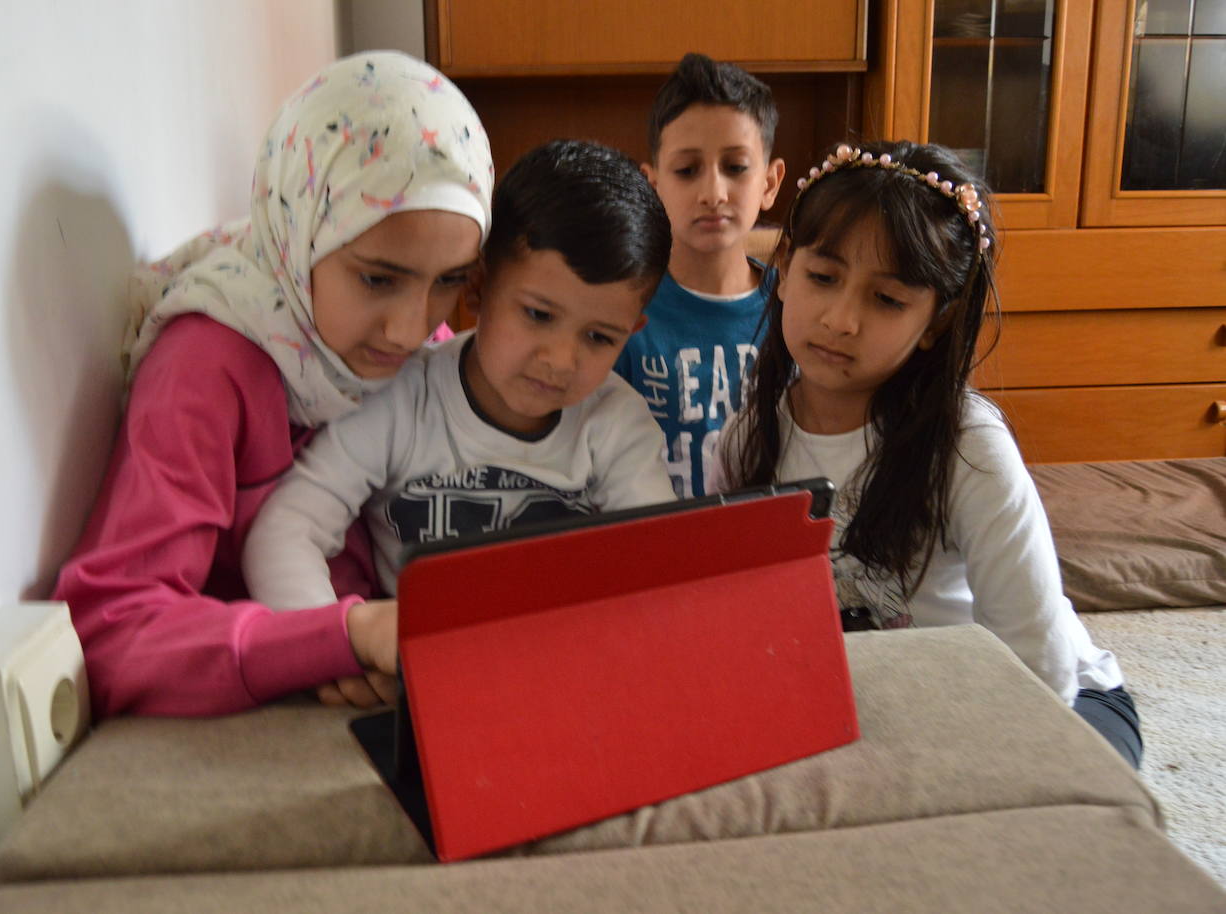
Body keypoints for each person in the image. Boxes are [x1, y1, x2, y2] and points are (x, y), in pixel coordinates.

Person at [52, 51, 495, 718]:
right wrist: (337, 638)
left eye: (450, 281)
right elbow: (111, 629)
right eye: (378, 278)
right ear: (299, 233)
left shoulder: (426, 351)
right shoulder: (205, 367)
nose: (412, 329)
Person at [708, 140, 1142, 769]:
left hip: (1050, 699)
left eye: (887, 299)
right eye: (823, 277)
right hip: (869, 700)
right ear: (784, 268)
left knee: (1039, 810)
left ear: (937, 321)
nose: (841, 319)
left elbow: (1041, 667)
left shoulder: (968, 446)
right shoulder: (747, 438)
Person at [243, 140, 676, 613]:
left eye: (598, 337)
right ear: (478, 285)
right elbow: (287, 530)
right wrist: (340, 640)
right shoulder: (399, 399)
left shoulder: (617, 422)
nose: (560, 359)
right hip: (418, 653)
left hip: (568, 647)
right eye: (538, 314)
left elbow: (660, 565)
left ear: (631, 331)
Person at [615, 52, 787, 498]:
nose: (713, 193)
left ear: (770, 183)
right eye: (687, 170)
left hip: (767, 534)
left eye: (736, 167)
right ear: (653, 185)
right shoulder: (620, 314)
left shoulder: (795, 308)